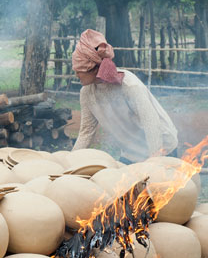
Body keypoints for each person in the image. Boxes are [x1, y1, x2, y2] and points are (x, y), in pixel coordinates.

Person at [72, 29, 178, 162]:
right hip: (132, 153)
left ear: (93, 69)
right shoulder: (87, 93)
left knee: (156, 183)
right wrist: (70, 161)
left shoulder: (128, 85)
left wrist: (154, 161)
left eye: (79, 70)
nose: (76, 74)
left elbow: (151, 124)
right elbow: (86, 132)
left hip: (162, 148)